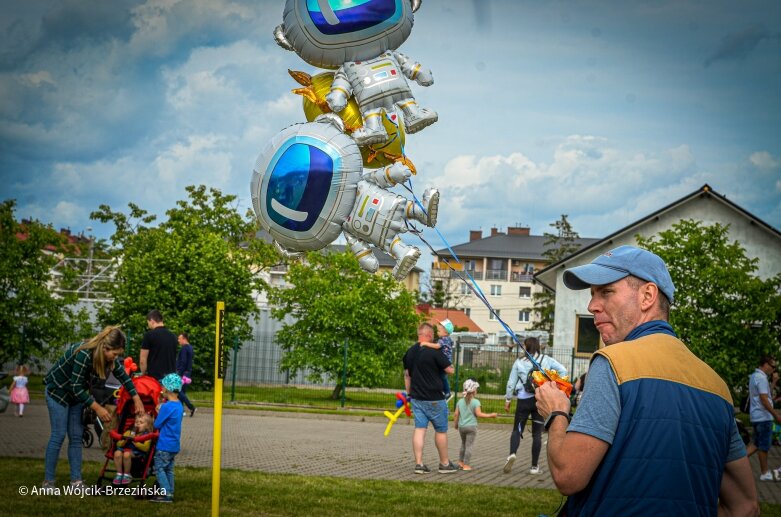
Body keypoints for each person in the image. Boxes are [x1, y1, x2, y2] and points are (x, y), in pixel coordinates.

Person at [534, 245, 757, 516]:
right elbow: (746, 508)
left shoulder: (613, 362)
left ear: (647, 296)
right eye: (592, 294)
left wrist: (557, 412)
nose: (592, 305)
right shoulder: (716, 385)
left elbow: (569, 474)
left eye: (606, 291)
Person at [43, 326, 145, 489]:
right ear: (105, 348)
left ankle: (76, 481)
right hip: (58, 392)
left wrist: (136, 397)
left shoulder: (108, 359)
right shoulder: (83, 353)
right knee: (59, 435)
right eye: (115, 354)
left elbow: (124, 377)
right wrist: (97, 408)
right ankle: (48, 482)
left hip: (76, 396)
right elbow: (76, 386)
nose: (116, 358)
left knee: (76, 437)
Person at [503, 336, 567, 475]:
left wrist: (508, 399)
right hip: (540, 400)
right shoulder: (546, 360)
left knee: (517, 429)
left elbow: (511, 382)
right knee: (537, 434)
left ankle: (512, 454)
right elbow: (563, 370)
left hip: (523, 399)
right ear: (538, 346)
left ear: (525, 347)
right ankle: (534, 467)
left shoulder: (519, 362)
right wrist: (553, 384)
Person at [403, 322, 458, 474]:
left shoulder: (410, 352)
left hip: (417, 398)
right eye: (433, 336)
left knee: (419, 429)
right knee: (440, 430)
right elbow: (450, 370)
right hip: (435, 398)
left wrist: (409, 394)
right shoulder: (435, 351)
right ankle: (444, 464)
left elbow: (407, 376)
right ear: (428, 335)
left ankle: (419, 464)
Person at [746, 355, 781, 481]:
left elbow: (767, 395)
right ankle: (764, 472)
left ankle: (735, 463)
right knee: (763, 446)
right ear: (765, 364)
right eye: (773, 366)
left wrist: (774, 382)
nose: (774, 369)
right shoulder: (761, 378)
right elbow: (764, 399)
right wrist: (776, 415)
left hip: (757, 416)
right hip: (763, 417)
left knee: (756, 444)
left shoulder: (755, 376)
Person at [152, 373, 184, 503]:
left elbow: (157, 424)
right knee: (169, 469)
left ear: (166, 389)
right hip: (174, 445)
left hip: (164, 445)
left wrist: (159, 411)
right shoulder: (179, 405)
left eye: (162, 386)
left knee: (159, 469)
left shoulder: (166, 407)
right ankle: (170, 492)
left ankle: (166, 494)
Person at [453, 378, 497, 471]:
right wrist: (491, 415)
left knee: (463, 444)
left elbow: (456, 414)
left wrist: (456, 424)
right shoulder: (476, 402)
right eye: (476, 389)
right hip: (471, 427)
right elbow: (479, 414)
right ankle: (466, 465)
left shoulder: (460, 401)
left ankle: (460, 462)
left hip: (462, 427)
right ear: (473, 390)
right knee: (469, 445)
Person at [112, 413, 154, 485]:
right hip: (125, 449)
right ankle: (119, 474)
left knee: (126, 454)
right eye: (136, 422)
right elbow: (118, 444)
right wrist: (126, 439)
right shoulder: (129, 432)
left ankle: (127, 475)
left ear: (147, 426)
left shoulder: (147, 435)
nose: (138, 424)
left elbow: (146, 448)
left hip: (138, 453)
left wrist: (135, 441)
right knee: (117, 453)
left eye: (141, 422)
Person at [420, 319, 455, 400]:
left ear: (446, 332)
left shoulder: (445, 339)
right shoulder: (445, 339)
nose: (437, 332)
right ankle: (443, 391)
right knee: (440, 376)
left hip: (444, 362)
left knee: (442, 376)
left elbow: (437, 346)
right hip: (442, 361)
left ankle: (447, 392)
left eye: (439, 330)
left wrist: (426, 343)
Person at [140, 310, 178, 381]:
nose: (148, 325)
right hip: (171, 379)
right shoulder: (173, 336)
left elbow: (143, 360)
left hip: (154, 379)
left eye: (148, 322)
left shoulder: (149, 335)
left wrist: (143, 374)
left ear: (151, 320)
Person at [176, 332, 196, 417]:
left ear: (184, 339)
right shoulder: (190, 348)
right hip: (187, 372)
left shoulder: (184, 348)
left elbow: (183, 361)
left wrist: (179, 373)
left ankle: (191, 407)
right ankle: (182, 410)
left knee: (179, 391)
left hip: (183, 373)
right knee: (182, 392)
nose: (178, 340)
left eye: (179, 339)